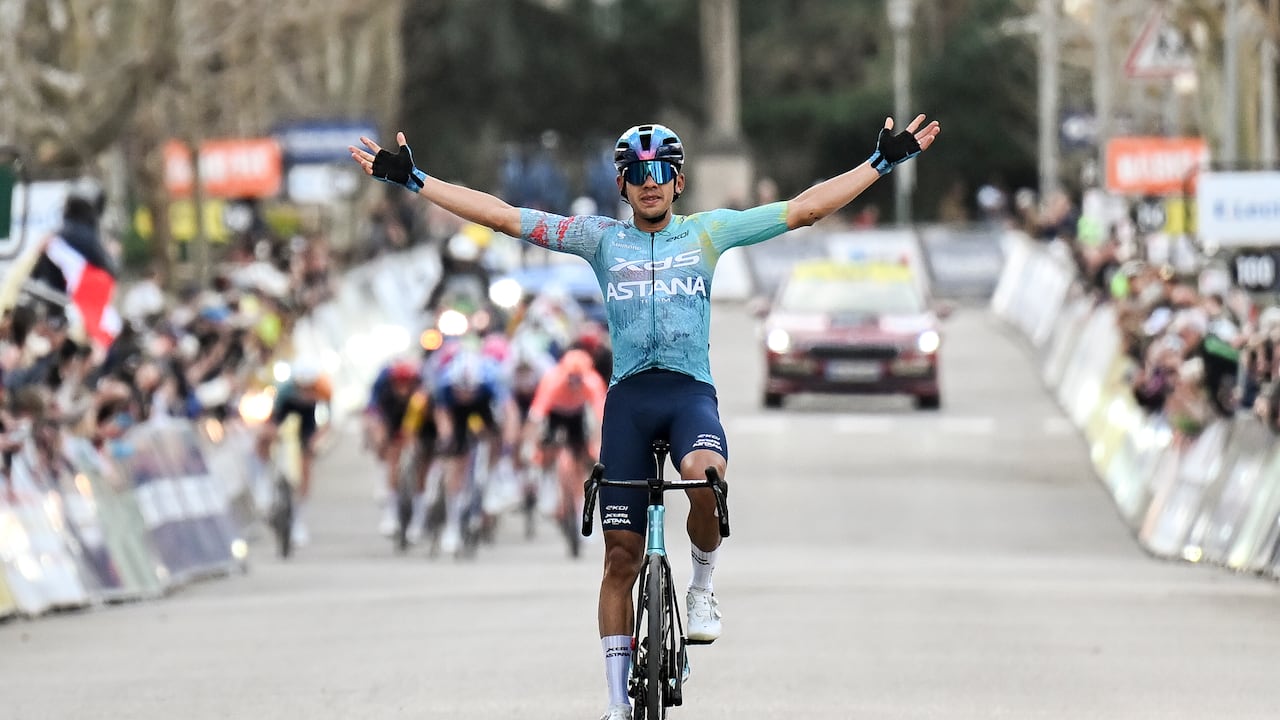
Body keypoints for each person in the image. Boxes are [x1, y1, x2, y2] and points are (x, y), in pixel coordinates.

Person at [351, 114, 940, 720]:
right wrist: (416, 180)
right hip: (629, 401)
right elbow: (504, 217)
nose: (649, 183)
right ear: (623, 184)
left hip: (688, 394)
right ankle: (615, 703)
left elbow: (804, 209)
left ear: (678, 183)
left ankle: (703, 585)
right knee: (619, 558)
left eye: (661, 172)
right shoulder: (599, 239)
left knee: (708, 478)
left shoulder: (709, 233)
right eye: (637, 173)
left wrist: (881, 165)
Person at [255, 357, 332, 546]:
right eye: (301, 387)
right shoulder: (284, 389)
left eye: (309, 388)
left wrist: (316, 440)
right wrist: (271, 432)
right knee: (262, 438)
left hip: (306, 425)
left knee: (306, 464)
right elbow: (270, 419)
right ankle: (264, 479)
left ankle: (298, 520)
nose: (305, 392)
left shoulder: (323, 389)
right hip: (284, 419)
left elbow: (327, 422)